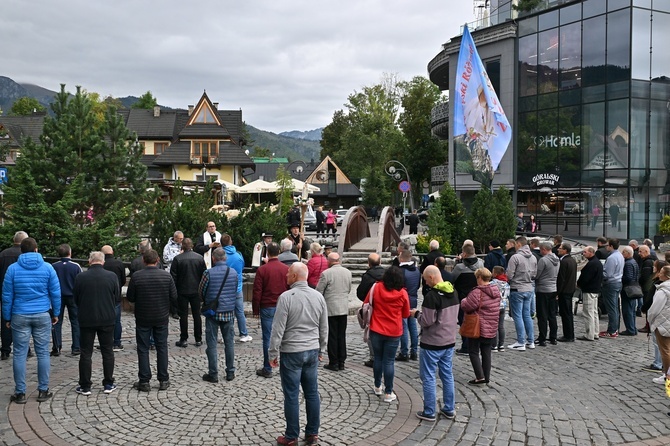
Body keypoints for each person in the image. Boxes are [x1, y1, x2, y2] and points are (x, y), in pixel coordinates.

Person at [270, 262, 327, 446]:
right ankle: (312, 433)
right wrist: (322, 349)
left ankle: (291, 436)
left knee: (292, 395)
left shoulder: (286, 297)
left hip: (292, 351)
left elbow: (278, 328)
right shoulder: (318, 296)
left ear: (294, 276)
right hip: (311, 350)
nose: (286, 276)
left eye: (288, 274)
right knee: (312, 393)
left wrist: (272, 352)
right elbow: (323, 327)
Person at [2, 237, 61, 404]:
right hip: (42, 313)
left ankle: (20, 392)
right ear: (36, 249)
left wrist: (7, 317)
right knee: (43, 353)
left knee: (19, 354)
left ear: (21, 250)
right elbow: (55, 293)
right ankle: (43, 390)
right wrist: (55, 313)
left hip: (19, 314)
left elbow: (7, 296)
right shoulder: (48, 267)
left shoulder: (12, 269)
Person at [412, 265, 459, 421]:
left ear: (431, 277)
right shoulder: (453, 292)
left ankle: (429, 411)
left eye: (425, 280)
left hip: (432, 342)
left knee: (429, 377)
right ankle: (449, 408)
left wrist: (416, 314)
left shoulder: (432, 296)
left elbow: (427, 321)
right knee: (447, 375)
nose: (425, 283)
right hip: (449, 341)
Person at [126, 249, 178, 392]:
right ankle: (163, 379)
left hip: (143, 316)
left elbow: (130, 297)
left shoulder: (137, 276)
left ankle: (144, 381)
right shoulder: (166, 277)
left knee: (143, 348)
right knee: (162, 347)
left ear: (143, 260)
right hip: (161, 316)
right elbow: (174, 296)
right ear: (158, 260)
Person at [73, 251, 120, 395]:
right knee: (107, 351)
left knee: (86, 352)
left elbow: (76, 298)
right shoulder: (112, 276)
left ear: (89, 261)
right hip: (107, 318)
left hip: (87, 318)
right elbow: (117, 297)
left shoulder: (81, 277)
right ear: (103, 262)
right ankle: (108, 383)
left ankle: (85, 385)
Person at [364, 266, 410, 403]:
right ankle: (388, 392)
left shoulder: (376, 288)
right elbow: (406, 314)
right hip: (394, 331)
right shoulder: (402, 293)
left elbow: (366, 303)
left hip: (376, 328)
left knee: (377, 358)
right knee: (389, 361)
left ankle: (377, 386)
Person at [200, 248, 238, 383]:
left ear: (214, 259)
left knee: (212, 344)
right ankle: (230, 372)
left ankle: (213, 373)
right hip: (228, 312)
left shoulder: (208, 273)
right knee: (229, 343)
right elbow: (234, 289)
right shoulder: (233, 273)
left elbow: (202, 291)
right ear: (225, 258)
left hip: (213, 312)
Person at [253, 242, 289, 378]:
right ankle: (284, 366)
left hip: (267, 306)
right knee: (284, 336)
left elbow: (257, 291)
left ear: (267, 252)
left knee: (267, 338)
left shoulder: (262, 270)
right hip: (282, 307)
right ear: (279, 252)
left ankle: (268, 368)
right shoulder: (286, 269)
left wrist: (256, 309)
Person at [461, 267, 501, 384]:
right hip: (491, 326)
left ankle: (480, 376)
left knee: (473, 351)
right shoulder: (495, 290)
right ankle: (486, 376)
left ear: (479, 277)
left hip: (478, 326)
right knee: (486, 351)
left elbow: (467, 306)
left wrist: (463, 300)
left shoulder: (477, 292)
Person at [316, 253, 352, 371]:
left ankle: (334, 361)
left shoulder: (326, 274)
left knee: (332, 335)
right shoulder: (347, 272)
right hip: (343, 308)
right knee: (341, 335)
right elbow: (349, 288)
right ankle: (342, 361)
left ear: (329, 261)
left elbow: (319, 291)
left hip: (331, 308)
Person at [170, 238, 207, 347]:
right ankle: (198, 338)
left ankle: (184, 338)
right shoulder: (199, 258)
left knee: (183, 315)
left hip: (182, 291)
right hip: (196, 290)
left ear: (182, 246)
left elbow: (173, 277)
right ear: (192, 246)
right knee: (197, 315)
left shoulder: (177, 259)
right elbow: (204, 276)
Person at [0, 231, 29, 361]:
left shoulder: (3, 254)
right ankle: (26, 348)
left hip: (5, 291)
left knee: (6, 320)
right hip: (22, 292)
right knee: (23, 321)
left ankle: (5, 350)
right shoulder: (25, 255)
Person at [452, 244, 484, 355]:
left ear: (464, 253)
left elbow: (452, 279)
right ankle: (475, 345)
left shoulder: (459, 267)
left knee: (463, 321)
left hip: (462, 297)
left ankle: (465, 346)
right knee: (476, 320)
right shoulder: (481, 265)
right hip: (477, 297)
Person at [507, 236, 538, 351]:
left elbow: (509, 274)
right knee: (527, 315)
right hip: (529, 288)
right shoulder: (534, 257)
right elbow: (535, 274)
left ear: (518, 244)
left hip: (517, 288)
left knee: (518, 315)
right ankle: (531, 341)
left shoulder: (515, 257)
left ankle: (521, 342)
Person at [51, 243, 82, 356]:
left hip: (57, 296)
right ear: (70, 253)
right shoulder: (76, 266)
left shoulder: (54, 266)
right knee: (75, 322)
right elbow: (80, 282)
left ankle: (57, 346)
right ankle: (76, 347)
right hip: (73, 296)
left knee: (56, 321)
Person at [221, 234, 252, 343]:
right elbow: (242, 267)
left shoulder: (220, 255)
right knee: (240, 312)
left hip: (224, 288)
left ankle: (229, 335)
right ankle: (244, 333)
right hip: (237, 287)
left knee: (226, 312)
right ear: (231, 242)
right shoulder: (238, 255)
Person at [356, 253, 385, 367]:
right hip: (385, 307)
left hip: (372, 307)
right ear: (380, 262)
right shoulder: (387, 274)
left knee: (371, 331)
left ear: (369, 263)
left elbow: (360, 292)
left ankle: (374, 357)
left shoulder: (367, 276)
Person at [647, 265, 670, 385]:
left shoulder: (663, 290)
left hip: (663, 324)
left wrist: (650, 320)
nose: (659, 274)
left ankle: (667, 375)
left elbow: (654, 309)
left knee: (665, 351)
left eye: (661, 272)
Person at [396, 249, 421, 361]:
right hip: (414, 299)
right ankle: (414, 352)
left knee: (404, 326)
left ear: (401, 258)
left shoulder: (400, 271)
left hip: (403, 301)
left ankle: (404, 352)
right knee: (413, 327)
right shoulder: (416, 271)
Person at [101, 245, 126, 351]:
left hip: (103, 297)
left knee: (103, 321)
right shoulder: (119, 263)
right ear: (112, 252)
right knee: (117, 321)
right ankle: (117, 342)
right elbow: (124, 280)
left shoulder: (101, 264)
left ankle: (105, 342)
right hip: (116, 296)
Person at [534, 242, 559, 347]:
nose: (540, 252)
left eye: (540, 250)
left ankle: (542, 338)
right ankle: (553, 337)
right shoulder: (557, 259)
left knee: (542, 315)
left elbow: (537, 274)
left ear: (544, 249)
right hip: (553, 288)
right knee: (552, 314)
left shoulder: (543, 260)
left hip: (543, 289)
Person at [577, 246, 604, 341]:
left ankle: (589, 334)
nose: (583, 254)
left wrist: (579, 284)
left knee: (588, 313)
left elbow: (585, 278)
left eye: (585, 252)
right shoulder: (597, 263)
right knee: (594, 312)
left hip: (589, 290)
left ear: (591, 252)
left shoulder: (592, 264)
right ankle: (595, 332)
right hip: (595, 290)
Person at [599, 238, 624, 338]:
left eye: (607, 245)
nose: (605, 247)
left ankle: (612, 331)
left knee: (612, 308)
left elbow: (607, 274)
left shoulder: (612, 258)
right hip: (617, 282)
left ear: (611, 246)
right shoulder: (620, 255)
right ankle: (614, 329)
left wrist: (599, 272)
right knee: (615, 307)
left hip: (611, 284)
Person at [556, 243, 577, 342]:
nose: (558, 250)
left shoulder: (564, 262)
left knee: (565, 314)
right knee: (568, 313)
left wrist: (558, 292)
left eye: (560, 249)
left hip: (564, 291)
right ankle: (570, 334)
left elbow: (561, 279)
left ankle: (568, 335)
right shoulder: (572, 260)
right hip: (570, 289)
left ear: (565, 250)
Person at [619, 246, 640, 336]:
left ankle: (630, 329)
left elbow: (628, 277)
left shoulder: (628, 263)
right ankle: (633, 328)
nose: (622, 254)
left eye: (623, 252)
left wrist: (620, 278)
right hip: (633, 287)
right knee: (631, 310)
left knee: (627, 310)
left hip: (628, 289)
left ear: (628, 253)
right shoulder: (633, 262)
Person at [490, 266, 509, 351]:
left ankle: (494, 345)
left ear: (495, 273)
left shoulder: (493, 283)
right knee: (501, 326)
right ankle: (501, 345)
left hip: (494, 306)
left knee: (494, 326)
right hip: (503, 305)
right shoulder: (506, 283)